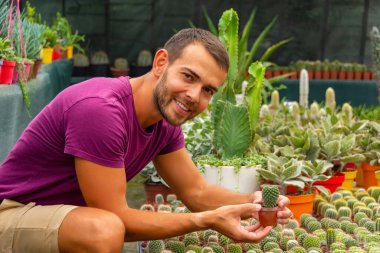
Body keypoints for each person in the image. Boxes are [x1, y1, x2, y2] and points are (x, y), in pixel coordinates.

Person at [0, 28, 292, 253]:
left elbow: (197, 191)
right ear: (161, 62)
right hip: (12, 212)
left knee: (103, 226)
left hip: (57, 216)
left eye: (208, 90)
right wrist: (207, 220)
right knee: (104, 230)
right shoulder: (100, 109)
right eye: (188, 76)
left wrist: (251, 202)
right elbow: (118, 218)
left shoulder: (163, 122)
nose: (194, 95)